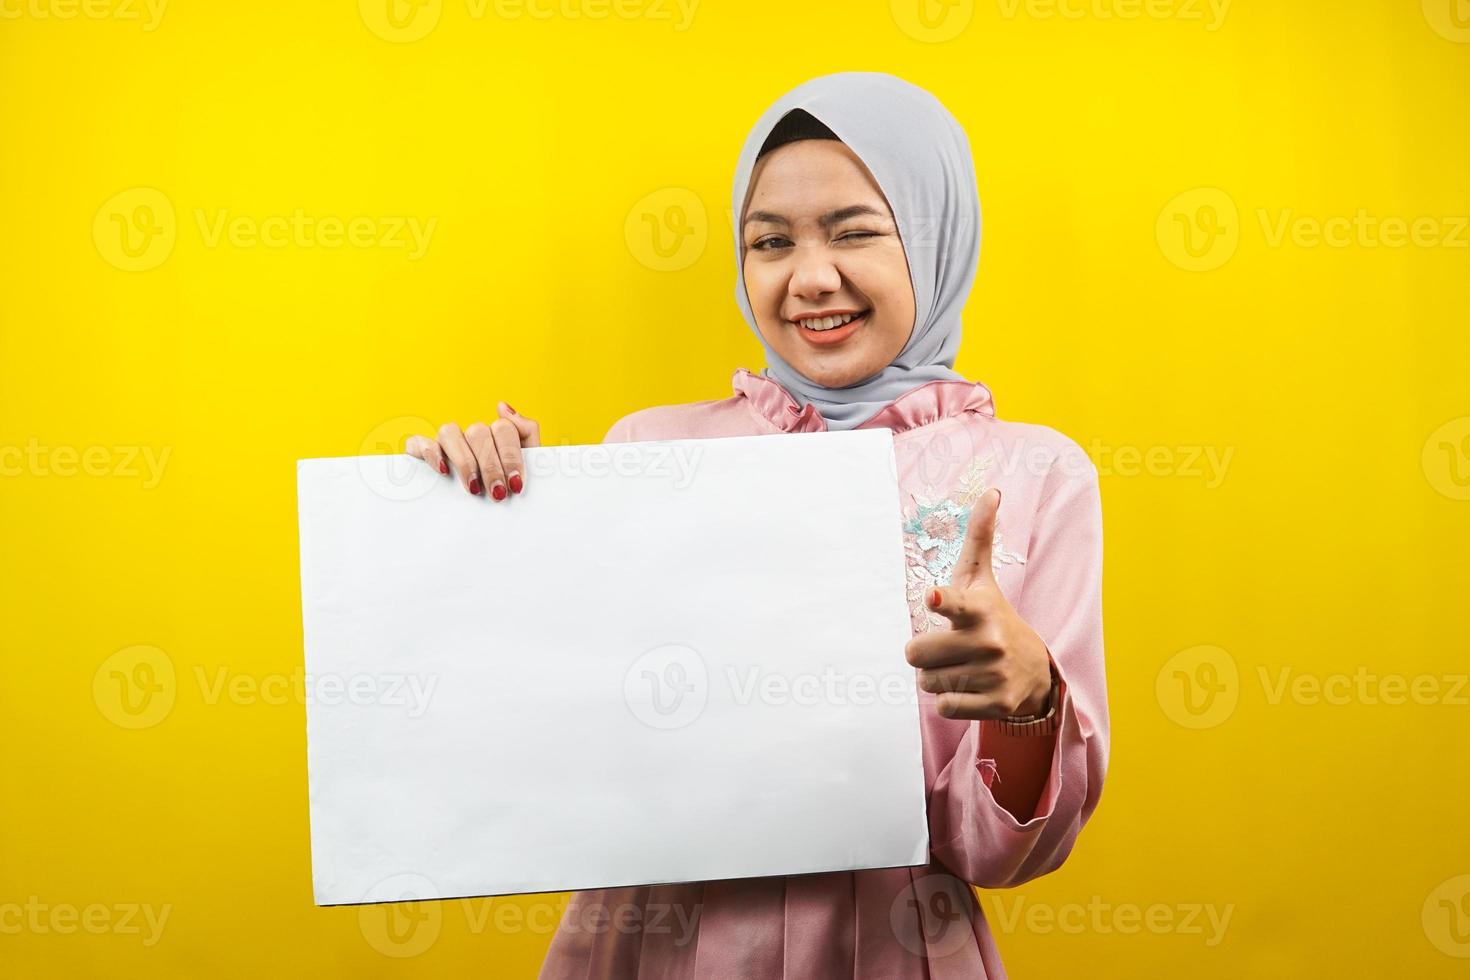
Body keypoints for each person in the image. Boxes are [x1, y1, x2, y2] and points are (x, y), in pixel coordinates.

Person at [403, 71, 1108, 980]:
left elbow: (1001, 852)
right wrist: (479, 519)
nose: (811, 277)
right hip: (650, 948)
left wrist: (1029, 705)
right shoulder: (649, 450)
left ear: (937, 240)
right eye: (769, 241)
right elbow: (553, 720)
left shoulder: (1036, 474)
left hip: (893, 947)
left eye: (856, 231)